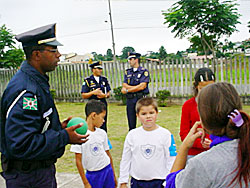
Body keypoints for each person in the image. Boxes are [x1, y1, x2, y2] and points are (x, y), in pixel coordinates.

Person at [0, 23, 88, 188]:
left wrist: (56, 128)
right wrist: (64, 137)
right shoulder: (26, 91)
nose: (59, 55)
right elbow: (20, 144)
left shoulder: (36, 81)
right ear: (36, 54)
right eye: (53, 50)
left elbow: (34, 126)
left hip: (38, 172)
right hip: (29, 178)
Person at [165, 82, 250, 188]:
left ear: (203, 120)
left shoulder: (202, 164)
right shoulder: (243, 148)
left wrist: (184, 147)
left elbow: (171, 184)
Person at [119, 97, 177, 188]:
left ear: (157, 113)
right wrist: (123, 181)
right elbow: (126, 159)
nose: (148, 116)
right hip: (137, 182)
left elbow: (171, 159)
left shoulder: (165, 135)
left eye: (151, 113)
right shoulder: (132, 135)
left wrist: (168, 181)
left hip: (159, 182)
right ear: (137, 115)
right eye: (144, 114)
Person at [70, 99, 117, 188]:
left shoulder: (102, 133)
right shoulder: (79, 135)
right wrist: (86, 183)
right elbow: (78, 161)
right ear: (94, 115)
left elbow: (108, 154)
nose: (103, 121)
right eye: (103, 117)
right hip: (93, 176)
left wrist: (113, 175)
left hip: (107, 171)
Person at [179, 67, 215, 159]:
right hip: (193, 154)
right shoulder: (188, 106)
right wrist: (200, 143)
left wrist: (214, 142)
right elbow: (184, 134)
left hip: (215, 151)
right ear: (196, 86)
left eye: (210, 88)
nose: (206, 92)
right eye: (202, 89)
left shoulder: (219, 104)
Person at [121, 52, 150, 131]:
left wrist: (127, 90)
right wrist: (135, 87)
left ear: (136, 60)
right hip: (130, 99)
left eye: (131, 59)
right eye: (129, 59)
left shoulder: (144, 71)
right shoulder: (128, 72)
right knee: (131, 121)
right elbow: (124, 85)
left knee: (144, 120)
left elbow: (142, 86)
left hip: (140, 98)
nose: (129, 61)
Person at [81, 61, 111, 132]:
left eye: (101, 69)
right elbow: (84, 95)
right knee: (91, 123)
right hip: (92, 104)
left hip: (102, 103)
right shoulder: (88, 81)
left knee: (103, 123)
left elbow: (108, 93)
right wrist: (93, 92)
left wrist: (105, 95)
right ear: (93, 70)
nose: (100, 70)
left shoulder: (104, 80)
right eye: (98, 69)